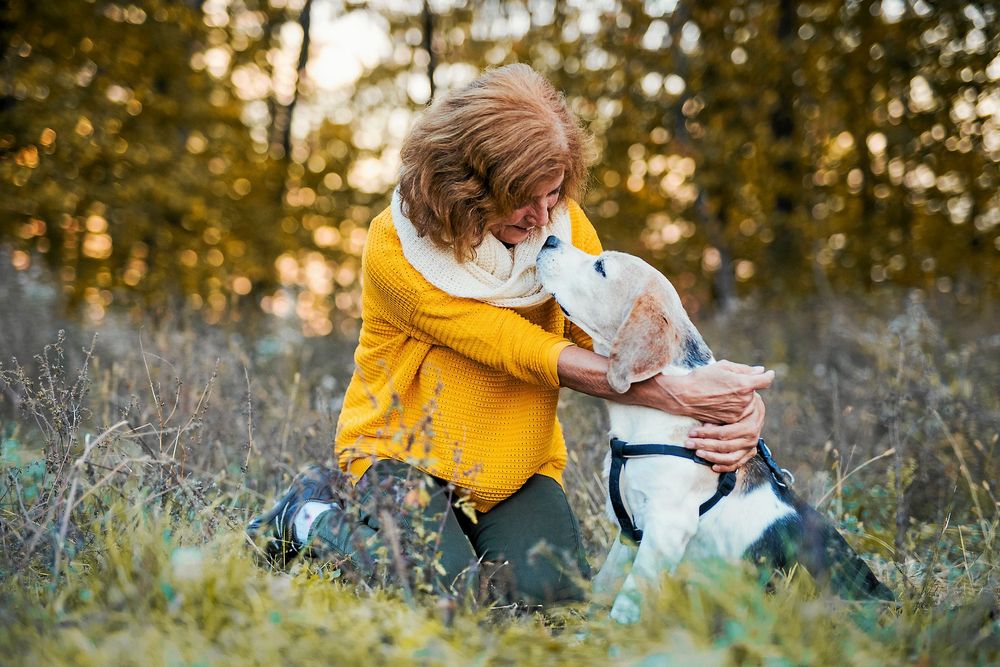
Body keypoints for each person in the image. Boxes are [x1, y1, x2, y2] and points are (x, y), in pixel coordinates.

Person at [248, 63, 772, 605]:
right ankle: (308, 516)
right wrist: (683, 395)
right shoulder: (394, 247)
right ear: (468, 185)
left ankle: (463, 546)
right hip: (398, 456)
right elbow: (509, 344)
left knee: (551, 601)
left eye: (554, 194)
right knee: (448, 600)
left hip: (516, 465)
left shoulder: (562, 227)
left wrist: (735, 407)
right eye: (525, 197)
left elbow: (623, 343)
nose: (544, 217)